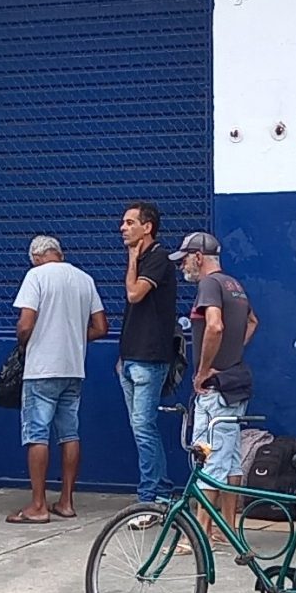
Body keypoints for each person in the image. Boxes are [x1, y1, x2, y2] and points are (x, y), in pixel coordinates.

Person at [11, 234, 107, 524]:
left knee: (37, 434)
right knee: (70, 433)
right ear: (59, 253)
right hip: (73, 367)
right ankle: (66, 501)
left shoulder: (35, 276)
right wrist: (75, 337)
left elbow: (26, 323)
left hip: (41, 368)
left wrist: (24, 341)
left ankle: (38, 505)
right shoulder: (84, 279)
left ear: (37, 257)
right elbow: (101, 327)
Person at [177, 232, 257, 534]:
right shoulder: (234, 285)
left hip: (215, 388)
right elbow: (252, 322)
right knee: (232, 457)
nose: (183, 265)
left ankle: (201, 533)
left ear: (199, 256)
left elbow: (214, 325)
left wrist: (204, 369)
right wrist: (233, 350)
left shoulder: (209, 285)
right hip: (234, 382)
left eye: (185, 258)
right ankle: (229, 528)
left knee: (209, 457)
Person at [115, 201, 179, 510]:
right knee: (141, 428)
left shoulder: (158, 259)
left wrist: (131, 260)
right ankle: (161, 490)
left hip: (149, 359)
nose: (123, 228)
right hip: (129, 359)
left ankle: (151, 498)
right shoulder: (144, 260)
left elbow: (134, 294)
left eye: (129, 223)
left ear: (147, 227)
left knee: (144, 428)